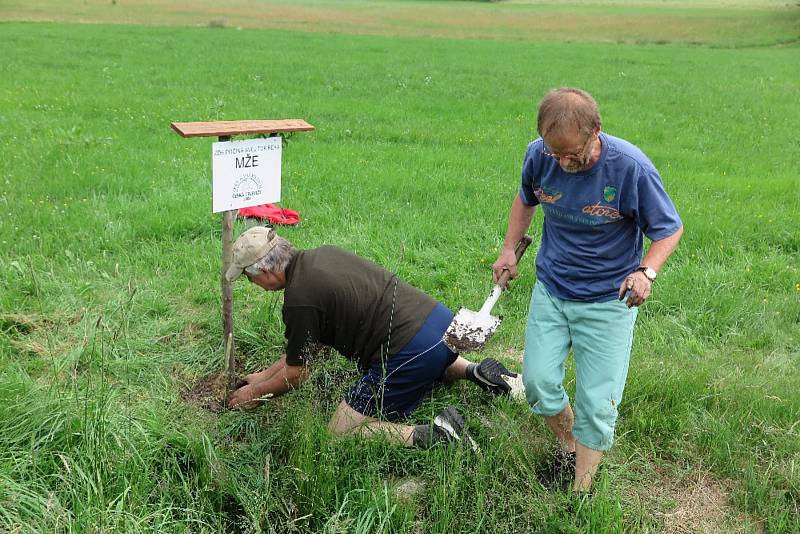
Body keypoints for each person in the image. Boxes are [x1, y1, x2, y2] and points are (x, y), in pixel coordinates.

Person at [492, 87, 683, 492]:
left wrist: (645, 273)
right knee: (539, 383)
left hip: (608, 300)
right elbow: (526, 199)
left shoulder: (631, 169)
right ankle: (568, 445)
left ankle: (581, 491)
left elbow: (669, 229)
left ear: (597, 130)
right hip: (553, 290)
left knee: (597, 404)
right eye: (555, 153)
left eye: (572, 154)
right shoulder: (539, 156)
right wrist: (509, 248)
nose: (563, 162)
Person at [226, 226, 519, 448]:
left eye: (249, 278)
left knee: (339, 432)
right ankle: (475, 371)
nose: (253, 285)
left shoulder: (299, 299)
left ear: (264, 271)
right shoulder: (323, 255)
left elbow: (298, 372)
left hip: (412, 352)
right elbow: (303, 352)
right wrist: (262, 376)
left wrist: (253, 394)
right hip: (444, 328)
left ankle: (437, 434)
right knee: (423, 351)